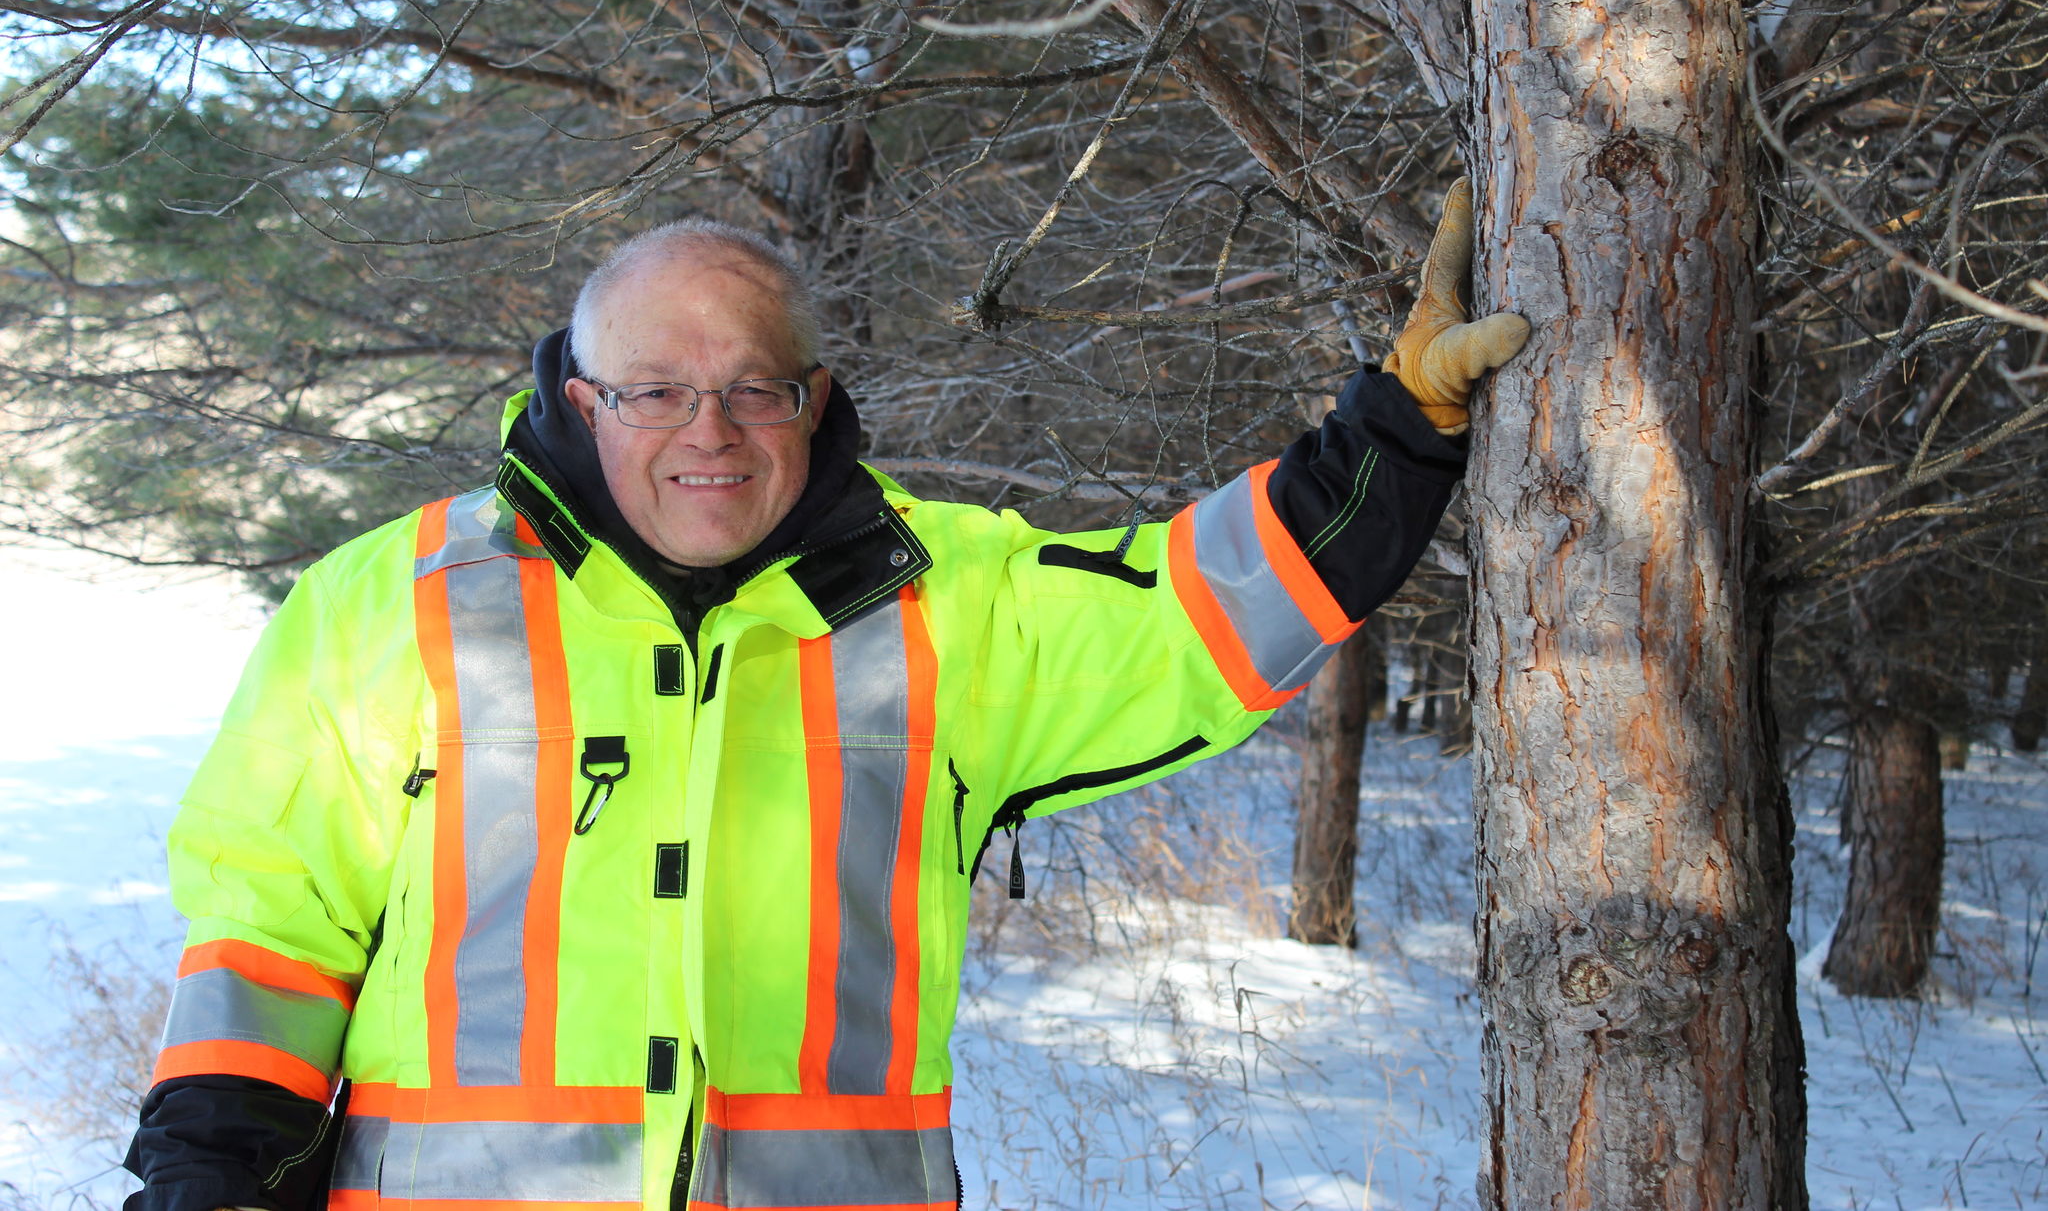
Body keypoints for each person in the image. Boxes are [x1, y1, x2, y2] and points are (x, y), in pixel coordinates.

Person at [124, 186, 1527, 1211]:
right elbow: (273, 921)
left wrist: (1398, 431)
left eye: (754, 390)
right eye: (657, 390)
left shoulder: (942, 604)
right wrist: (208, 1166)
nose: (709, 434)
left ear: (818, 398)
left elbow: (1191, 616)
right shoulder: (394, 599)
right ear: (576, 390)